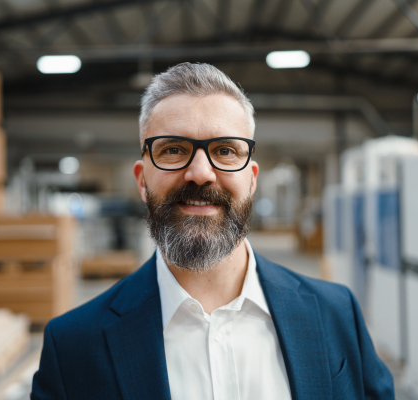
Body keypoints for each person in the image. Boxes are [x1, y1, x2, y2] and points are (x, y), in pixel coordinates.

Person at [31, 63, 394, 400]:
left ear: (251, 180)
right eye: (173, 149)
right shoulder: (74, 348)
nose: (201, 173)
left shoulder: (336, 313)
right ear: (142, 181)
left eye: (224, 150)